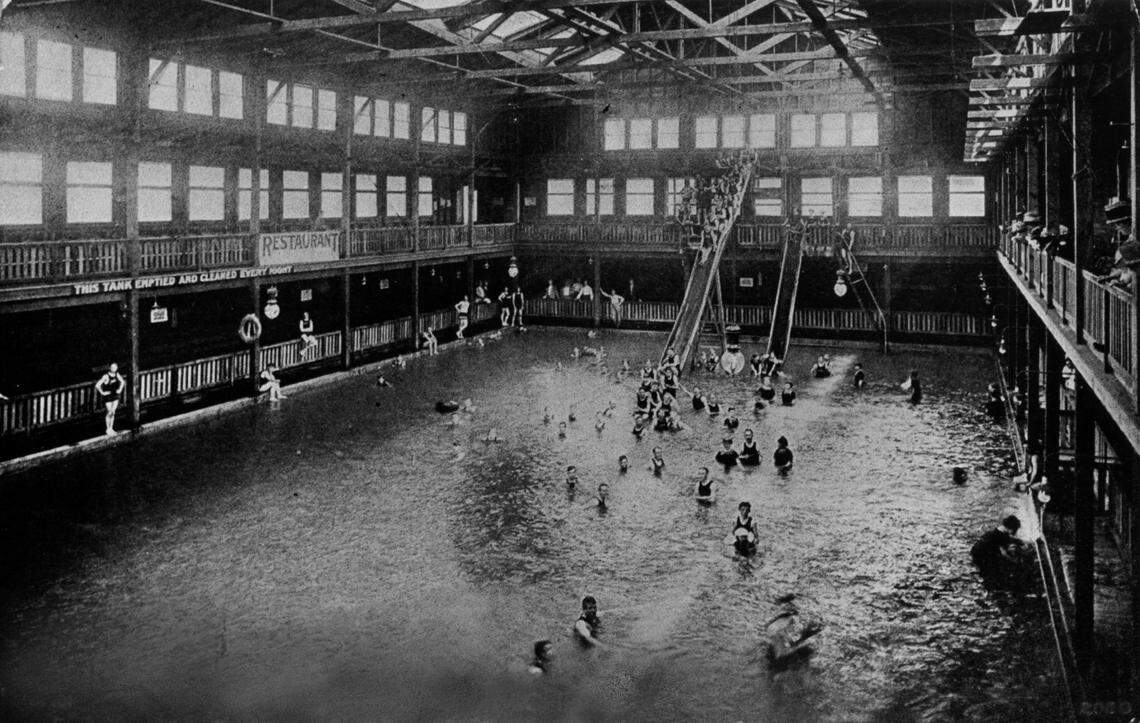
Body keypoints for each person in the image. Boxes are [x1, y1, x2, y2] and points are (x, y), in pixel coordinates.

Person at [970, 514, 1029, 580]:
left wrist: (1021, 542)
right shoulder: (998, 536)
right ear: (1011, 528)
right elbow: (1004, 553)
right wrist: (1014, 560)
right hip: (980, 555)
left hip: (978, 550)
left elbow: (1008, 538)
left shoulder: (1001, 529)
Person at [94, 363, 127, 435]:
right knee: (109, 412)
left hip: (115, 395)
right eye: (112, 367)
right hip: (108, 396)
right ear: (110, 368)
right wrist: (102, 392)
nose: (114, 368)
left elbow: (122, 382)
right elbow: (97, 385)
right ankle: (107, 429)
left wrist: (120, 389)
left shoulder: (117, 374)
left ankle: (111, 428)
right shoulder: (106, 376)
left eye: (115, 367)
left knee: (113, 412)